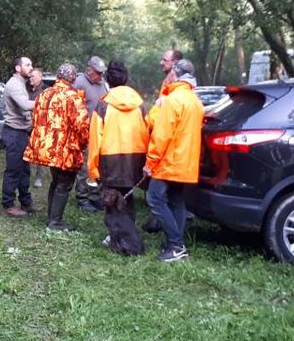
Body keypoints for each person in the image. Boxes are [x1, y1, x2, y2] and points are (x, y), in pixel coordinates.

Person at [144, 58, 204, 262]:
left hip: (170, 161)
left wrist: (150, 163)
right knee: (176, 200)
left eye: (171, 72)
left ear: (176, 74)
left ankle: (176, 245)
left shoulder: (173, 100)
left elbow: (161, 135)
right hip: (186, 162)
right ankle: (177, 243)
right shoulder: (195, 100)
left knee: (154, 198)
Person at [87, 60, 148, 256]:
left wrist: (93, 169)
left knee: (112, 200)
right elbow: (147, 132)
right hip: (135, 159)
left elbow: (95, 138)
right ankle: (128, 236)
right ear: (126, 79)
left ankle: (118, 239)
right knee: (128, 198)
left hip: (110, 160)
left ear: (108, 80)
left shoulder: (104, 104)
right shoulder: (139, 104)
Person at [23, 63, 89, 231]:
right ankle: (55, 222)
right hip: (66, 150)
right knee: (64, 184)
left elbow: (35, 118)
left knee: (56, 181)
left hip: (47, 148)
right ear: (73, 78)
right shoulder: (73, 97)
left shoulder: (44, 94)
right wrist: (82, 145)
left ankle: (51, 218)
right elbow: (82, 125)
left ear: (58, 76)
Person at [0, 56, 36, 217]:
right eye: (27, 65)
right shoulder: (13, 84)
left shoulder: (21, 83)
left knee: (24, 170)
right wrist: (47, 100)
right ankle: (8, 204)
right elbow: (25, 105)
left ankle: (26, 203)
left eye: (31, 65)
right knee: (14, 170)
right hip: (13, 133)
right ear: (18, 68)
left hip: (21, 133)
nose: (31, 68)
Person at [73, 56, 109, 211]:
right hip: (85, 133)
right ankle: (83, 198)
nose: (101, 76)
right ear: (89, 70)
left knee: (98, 166)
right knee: (85, 167)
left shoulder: (103, 84)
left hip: (100, 132)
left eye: (102, 73)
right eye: (98, 73)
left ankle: (95, 196)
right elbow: (73, 109)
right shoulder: (80, 83)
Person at [27, 67, 48, 189]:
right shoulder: (26, 89)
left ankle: (39, 177)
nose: (30, 78)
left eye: (33, 76)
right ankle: (25, 174)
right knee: (26, 150)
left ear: (40, 77)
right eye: (30, 76)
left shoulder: (46, 90)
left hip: (41, 125)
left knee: (40, 152)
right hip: (27, 124)